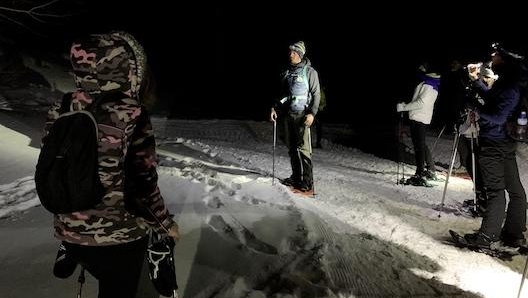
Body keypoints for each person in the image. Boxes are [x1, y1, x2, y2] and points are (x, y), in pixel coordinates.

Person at [45, 32, 179, 297]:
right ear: (129, 69)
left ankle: (69, 252)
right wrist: (166, 226)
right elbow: (143, 184)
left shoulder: (61, 107)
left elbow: (58, 169)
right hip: (118, 238)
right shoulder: (132, 113)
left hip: (69, 230)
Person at [462, 44, 527, 249]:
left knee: (496, 192)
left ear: (507, 60)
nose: (493, 56)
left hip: (494, 144)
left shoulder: (510, 86)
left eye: (497, 55)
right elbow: (493, 101)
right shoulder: (509, 83)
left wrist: (475, 107)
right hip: (503, 143)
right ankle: (513, 234)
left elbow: (497, 116)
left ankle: (487, 237)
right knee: (515, 190)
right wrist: (476, 82)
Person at [270, 41, 321, 192]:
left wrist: (312, 113)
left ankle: (307, 181)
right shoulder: (287, 71)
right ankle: (296, 176)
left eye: (293, 52)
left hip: (302, 115)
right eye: (290, 51)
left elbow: (316, 94)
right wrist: (275, 107)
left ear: (299, 54)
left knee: (304, 150)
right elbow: (284, 94)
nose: (290, 54)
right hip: (288, 115)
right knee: (292, 148)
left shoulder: (309, 72)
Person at [396, 63, 441, 186]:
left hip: (419, 117)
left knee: (419, 147)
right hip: (419, 117)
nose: (420, 69)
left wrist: (404, 107)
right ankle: (430, 170)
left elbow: (421, 103)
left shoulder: (430, 85)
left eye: (423, 68)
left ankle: (420, 173)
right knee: (421, 145)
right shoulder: (429, 83)